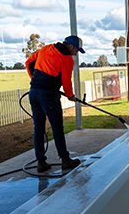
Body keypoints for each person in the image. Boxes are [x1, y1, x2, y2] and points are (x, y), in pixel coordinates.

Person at [26, 35, 85, 173]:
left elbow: (28, 63)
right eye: (76, 49)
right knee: (57, 127)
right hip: (48, 95)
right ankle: (65, 160)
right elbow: (66, 81)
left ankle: (41, 163)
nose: (76, 53)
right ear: (70, 46)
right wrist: (70, 96)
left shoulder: (46, 49)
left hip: (33, 92)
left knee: (39, 128)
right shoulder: (67, 59)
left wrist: (36, 81)